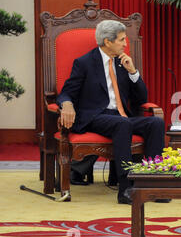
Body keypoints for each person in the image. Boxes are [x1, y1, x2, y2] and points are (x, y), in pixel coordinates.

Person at [57, 20, 167, 204]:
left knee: (156, 122)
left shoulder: (122, 62)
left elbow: (141, 99)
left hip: (121, 117)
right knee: (122, 123)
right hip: (96, 117)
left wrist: (133, 72)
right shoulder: (84, 63)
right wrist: (66, 104)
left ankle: (154, 184)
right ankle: (125, 189)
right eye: (122, 40)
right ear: (107, 41)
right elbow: (67, 91)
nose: (125, 44)